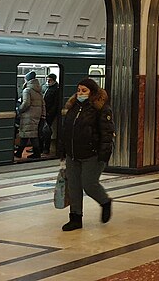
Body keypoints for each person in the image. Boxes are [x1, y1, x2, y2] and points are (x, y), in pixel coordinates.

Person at [59, 78, 115, 231]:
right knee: (74, 186)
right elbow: (66, 130)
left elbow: (107, 133)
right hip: (73, 153)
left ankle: (105, 202)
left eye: (84, 90)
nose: (80, 93)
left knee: (89, 184)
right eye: (78, 90)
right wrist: (63, 150)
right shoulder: (73, 107)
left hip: (92, 154)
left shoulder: (101, 108)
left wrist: (104, 154)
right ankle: (75, 218)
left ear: (92, 92)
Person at [15, 71, 46, 159]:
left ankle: (34, 153)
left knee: (29, 134)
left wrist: (19, 109)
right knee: (31, 134)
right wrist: (43, 116)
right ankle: (21, 152)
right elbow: (43, 104)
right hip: (36, 115)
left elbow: (26, 103)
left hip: (28, 116)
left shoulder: (27, 90)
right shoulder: (38, 90)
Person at [42, 73, 61, 156]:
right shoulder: (48, 88)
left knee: (47, 131)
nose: (48, 81)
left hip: (49, 113)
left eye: (49, 80)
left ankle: (46, 148)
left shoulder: (56, 89)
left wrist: (49, 113)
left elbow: (55, 103)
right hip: (45, 111)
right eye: (47, 80)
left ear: (54, 80)